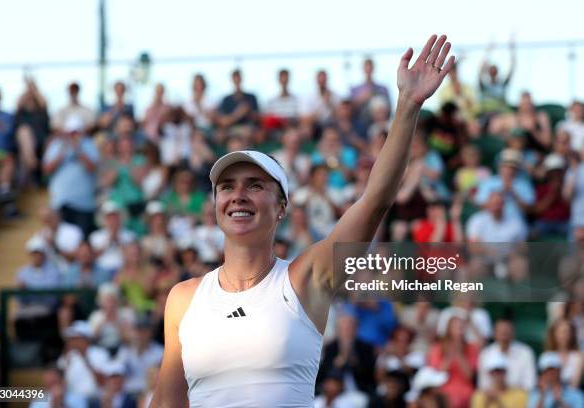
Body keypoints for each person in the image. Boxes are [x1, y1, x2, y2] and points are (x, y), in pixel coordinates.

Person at [150, 34, 455, 407]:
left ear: (281, 207)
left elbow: (375, 201)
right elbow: (167, 403)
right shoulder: (182, 299)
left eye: (255, 185)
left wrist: (407, 105)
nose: (238, 195)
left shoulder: (306, 277)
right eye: (227, 187)